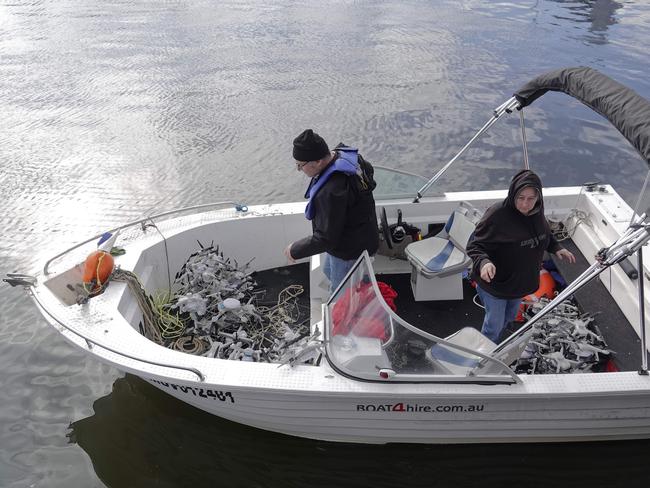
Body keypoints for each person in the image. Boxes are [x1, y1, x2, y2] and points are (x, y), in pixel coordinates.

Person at [466, 169, 575, 343]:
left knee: (509, 317)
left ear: (538, 197)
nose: (525, 204)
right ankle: (483, 359)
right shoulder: (497, 214)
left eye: (531, 198)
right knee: (493, 325)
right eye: (521, 198)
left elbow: (544, 235)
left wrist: (556, 247)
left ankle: (499, 345)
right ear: (513, 194)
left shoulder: (537, 212)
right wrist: (484, 262)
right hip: (496, 284)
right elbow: (474, 245)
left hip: (520, 283)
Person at [284, 129, 379, 292]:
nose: (299, 170)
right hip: (364, 234)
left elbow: (326, 239)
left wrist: (294, 250)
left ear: (319, 161)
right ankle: (364, 289)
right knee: (328, 270)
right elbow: (369, 172)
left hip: (350, 249)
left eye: (301, 166)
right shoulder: (346, 156)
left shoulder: (332, 191)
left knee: (341, 294)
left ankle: (349, 312)